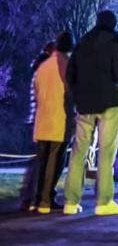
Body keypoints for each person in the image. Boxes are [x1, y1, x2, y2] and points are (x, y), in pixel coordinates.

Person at [63, 10, 118, 216]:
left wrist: (78, 95)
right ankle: (103, 201)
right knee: (106, 153)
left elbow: (70, 75)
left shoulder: (82, 44)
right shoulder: (114, 43)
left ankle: (71, 201)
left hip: (85, 105)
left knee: (78, 152)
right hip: (108, 103)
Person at [29, 35, 73, 214]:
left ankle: (36, 200)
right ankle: (46, 201)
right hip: (58, 121)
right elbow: (71, 92)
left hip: (42, 121)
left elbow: (36, 91)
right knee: (54, 164)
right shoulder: (66, 65)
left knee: (41, 163)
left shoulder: (42, 67)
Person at [19, 41, 55, 212]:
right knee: (41, 161)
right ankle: (34, 198)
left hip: (35, 120)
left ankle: (31, 197)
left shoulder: (37, 69)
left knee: (38, 161)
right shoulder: (44, 70)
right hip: (41, 120)